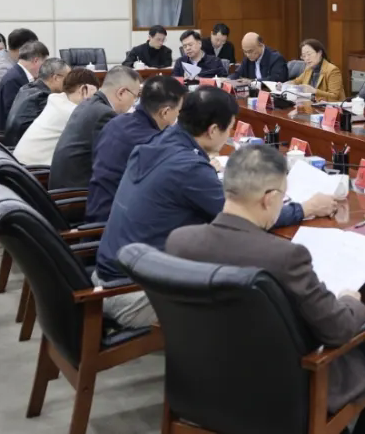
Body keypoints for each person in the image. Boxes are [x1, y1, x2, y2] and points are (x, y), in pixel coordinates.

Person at [167, 145, 365, 433]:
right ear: (269, 199)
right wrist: (349, 300)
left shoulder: (179, 242)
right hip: (281, 394)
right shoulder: (283, 257)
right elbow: (338, 330)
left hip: (201, 386)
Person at [93, 87, 338, 327]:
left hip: (111, 275)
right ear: (212, 130)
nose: (230, 134)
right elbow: (244, 216)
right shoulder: (188, 168)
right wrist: (306, 208)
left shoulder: (159, 142)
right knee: (266, 302)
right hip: (133, 293)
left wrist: (203, 168)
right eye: (229, 128)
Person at [85, 75, 188, 222]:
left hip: (98, 207)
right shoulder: (151, 143)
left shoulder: (117, 122)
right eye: (179, 110)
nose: (178, 116)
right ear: (165, 112)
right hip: (116, 221)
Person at [48, 66, 141, 189]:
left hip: (64, 187)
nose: (134, 102)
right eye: (135, 96)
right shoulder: (104, 115)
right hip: (77, 193)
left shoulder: (88, 104)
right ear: (121, 93)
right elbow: (116, 163)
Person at [13, 68, 99, 166]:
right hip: (36, 170)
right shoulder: (74, 113)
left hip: (20, 165)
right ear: (84, 89)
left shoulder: (57, 101)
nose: (96, 99)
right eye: (95, 94)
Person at [3, 57, 70, 147]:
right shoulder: (43, 97)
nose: (70, 82)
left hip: (13, 145)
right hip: (24, 149)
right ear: (56, 78)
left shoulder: (26, 88)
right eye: (68, 77)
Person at [0, 41, 49, 131]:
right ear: (36, 61)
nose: (45, 68)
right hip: (8, 135)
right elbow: (14, 115)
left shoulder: (18, 74)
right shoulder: (13, 80)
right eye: (44, 63)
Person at [0, 27, 38, 119]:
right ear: (24, 48)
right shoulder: (2, 69)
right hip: (2, 120)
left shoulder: (12, 61)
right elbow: (12, 104)